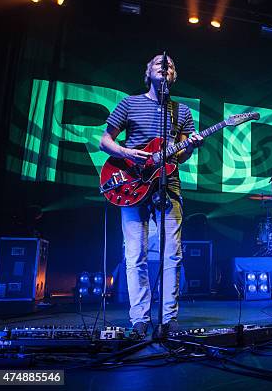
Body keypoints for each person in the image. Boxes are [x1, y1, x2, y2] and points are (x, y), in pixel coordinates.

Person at [99, 54, 202, 337]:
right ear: (148, 72)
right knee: (135, 256)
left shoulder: (181, 112)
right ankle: (140, 319)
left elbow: (181, 155)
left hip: (168, 186)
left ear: (173, 76)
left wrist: (191, 146)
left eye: (169, 66)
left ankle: (169, 319)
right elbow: (104, 140)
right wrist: (127, 152)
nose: (165, 67)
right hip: (131, 185)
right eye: (159, 63)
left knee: (173, 256)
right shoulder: (130, 103)